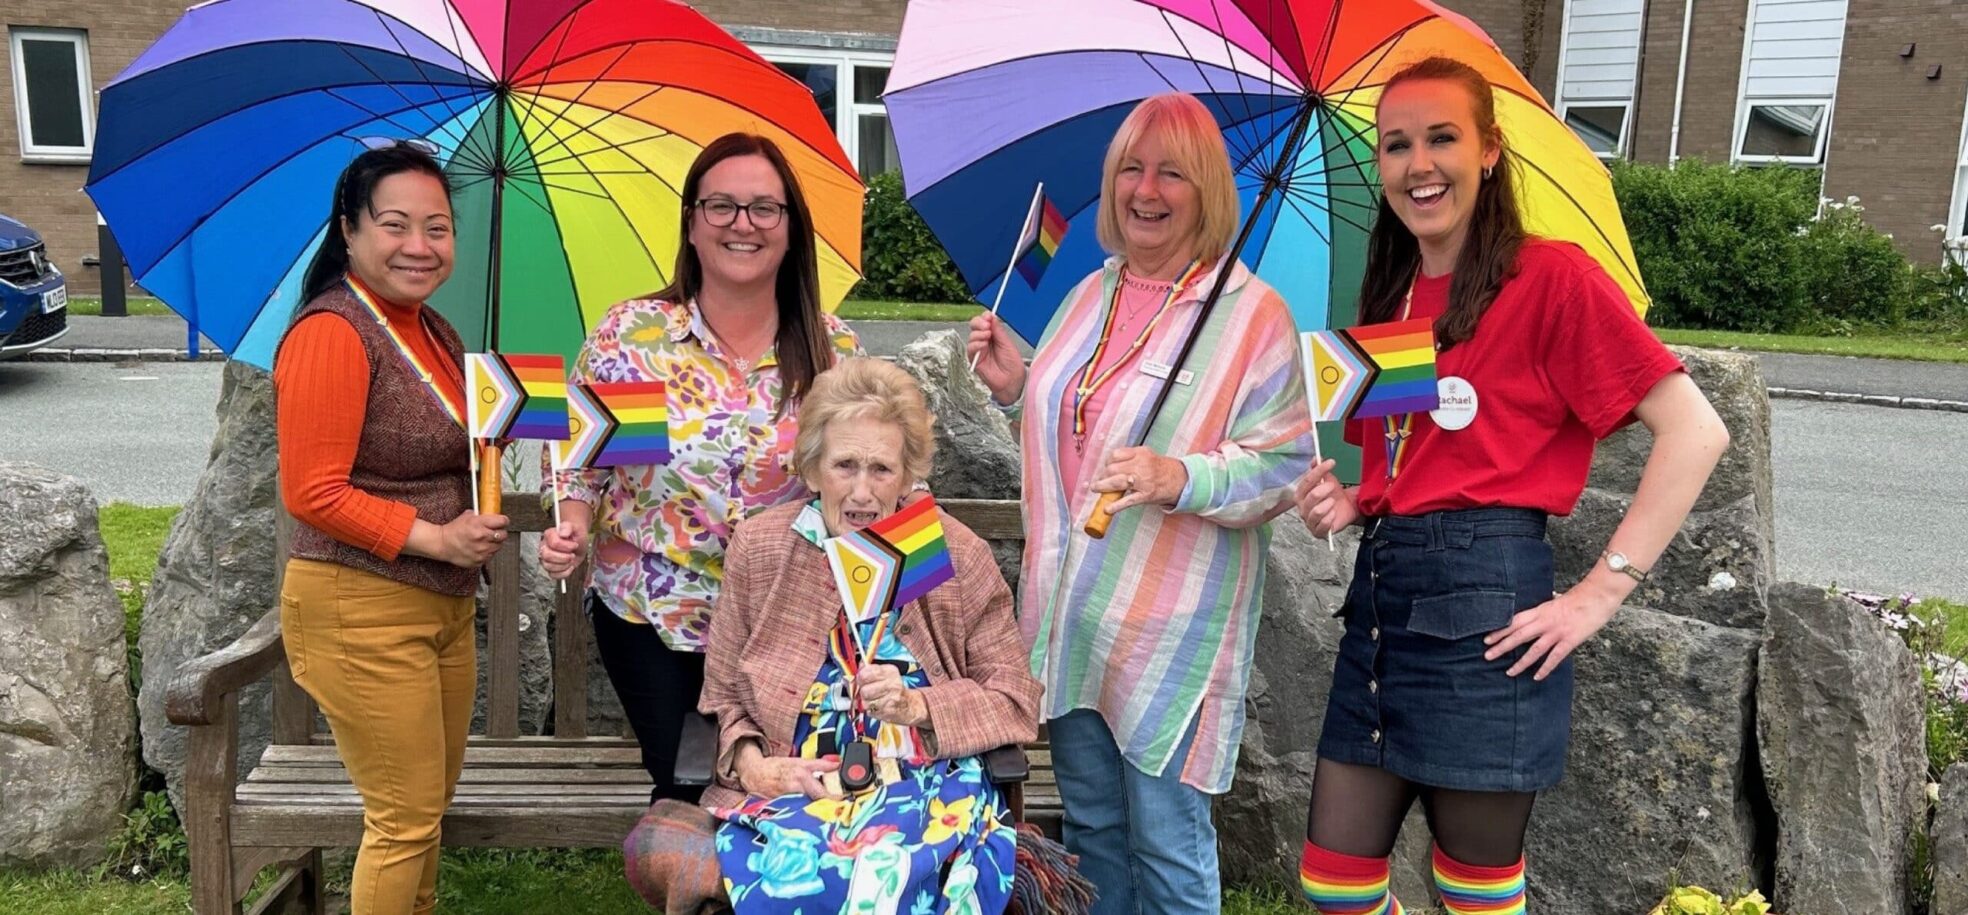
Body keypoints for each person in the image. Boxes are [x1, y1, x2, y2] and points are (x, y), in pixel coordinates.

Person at [1290, 57, 1731, 915]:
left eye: (1443, 138)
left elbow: (1696, 430)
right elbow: (1410, 457)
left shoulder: (1552, 277)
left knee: (1474, 892)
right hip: (1382, 602)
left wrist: (1601, 593)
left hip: (1486, 608)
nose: (1419, 164)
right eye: (1397, 144)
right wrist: (1352, 499)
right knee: (1334, 883)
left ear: (1489, 150)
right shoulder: (1390, 288)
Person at [966, 92, 1314, 914]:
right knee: (1091, 827)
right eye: (1131, 168)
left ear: (1209, 192)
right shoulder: (1090, 293)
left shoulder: (1250, 316)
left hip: (1169, 636)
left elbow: (1283, 463)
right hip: (1073, 618)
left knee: (1166, 841)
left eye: (1172, 173)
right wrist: (1019, 390)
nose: (1146, 189)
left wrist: (1179, 476)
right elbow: (1081, 428)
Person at [620, 356, 1042, 914]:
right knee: (807, 869)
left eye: (882, 469)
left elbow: (1015, 699)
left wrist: (918, 705)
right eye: (845, 466)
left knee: (878, 865)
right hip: (795, 778)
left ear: (910, 474)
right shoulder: (764, 547)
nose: (863, 493)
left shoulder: (955, 554)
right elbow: (721, 695)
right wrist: (755, 769)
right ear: (814, 469)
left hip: (924, 775)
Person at [538, 133, 861, 803]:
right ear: (691, 222)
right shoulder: (638, 336)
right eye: (721, 205)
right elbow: (584, 463)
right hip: (654, 613)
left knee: (791, 791)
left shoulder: (833, 351)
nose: (743, 223)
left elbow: (880, 483)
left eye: (764, 208)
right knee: (691, 784)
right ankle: (691, 883)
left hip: (788, 620)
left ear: (791, 228)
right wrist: (570, 525)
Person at [272, 141, 508, 915]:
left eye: (437, 228)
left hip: (440, 609)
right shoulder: (333, 332)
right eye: (397, 224)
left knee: (425, 810)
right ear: (350, 229)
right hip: (360, 607)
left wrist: (501, 422)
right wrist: (439, 538)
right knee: (403, 817)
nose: (420, 245)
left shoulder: (431, 329)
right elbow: (313, 491)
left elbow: (447, 441)